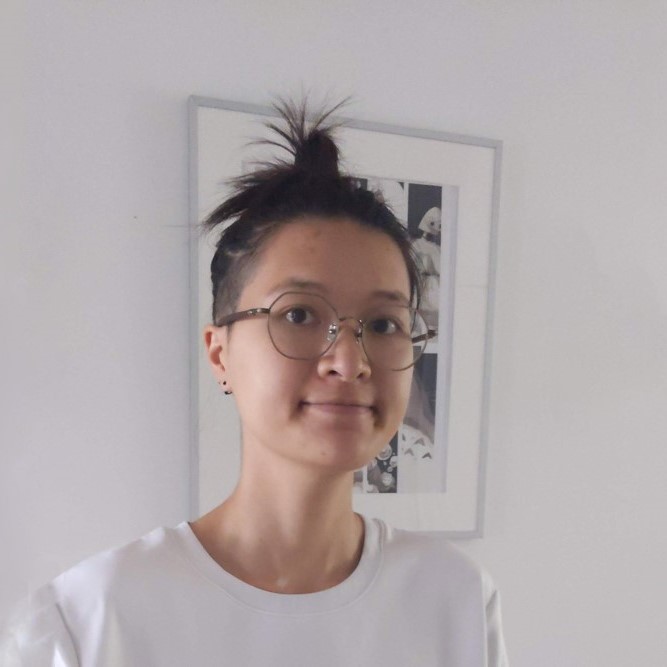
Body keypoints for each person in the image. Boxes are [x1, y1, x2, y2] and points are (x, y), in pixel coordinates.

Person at [1, 100, 508, 666]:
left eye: (384, 323)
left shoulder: (453, 600)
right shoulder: (91, 619)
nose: (349, 360)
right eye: (298, 315)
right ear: (220, 353)